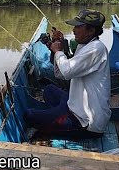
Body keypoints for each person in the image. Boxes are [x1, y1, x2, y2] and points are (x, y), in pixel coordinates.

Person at [24, 9, 111, 138]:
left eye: (78, 27)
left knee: (29, 115)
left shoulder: (96, 49)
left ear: (91, 30)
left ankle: (53, 123)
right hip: (74, 105)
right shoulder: (85, 46)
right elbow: (60, 74)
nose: (74, 30)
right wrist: (56, 48)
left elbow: (66, 71)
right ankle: (55, 117)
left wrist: (59, 51)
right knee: (49, 90)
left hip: (85, 123)